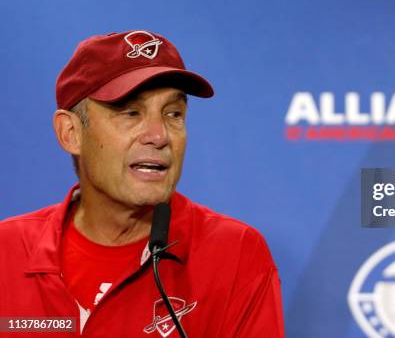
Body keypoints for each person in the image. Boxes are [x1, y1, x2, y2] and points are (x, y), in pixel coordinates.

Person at [0, 30, 285, 337]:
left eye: (173, 114)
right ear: (71, 132)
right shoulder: (7, 252)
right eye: (130, 112)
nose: (159, 135)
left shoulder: (236, 254)